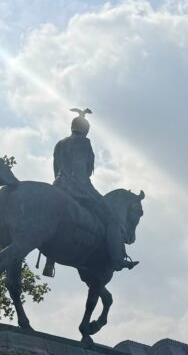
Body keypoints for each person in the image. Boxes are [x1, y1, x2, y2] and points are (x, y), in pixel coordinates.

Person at [52, 108, 137, 273]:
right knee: (112, 219)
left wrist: (81, 116)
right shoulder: (84, 142)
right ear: (86, 130)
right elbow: (81, 171)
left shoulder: (60, 143)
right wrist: (84, 186)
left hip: (59, 185)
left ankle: (50, 261)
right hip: (79, 188)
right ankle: (118, 259)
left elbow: (56, 168)